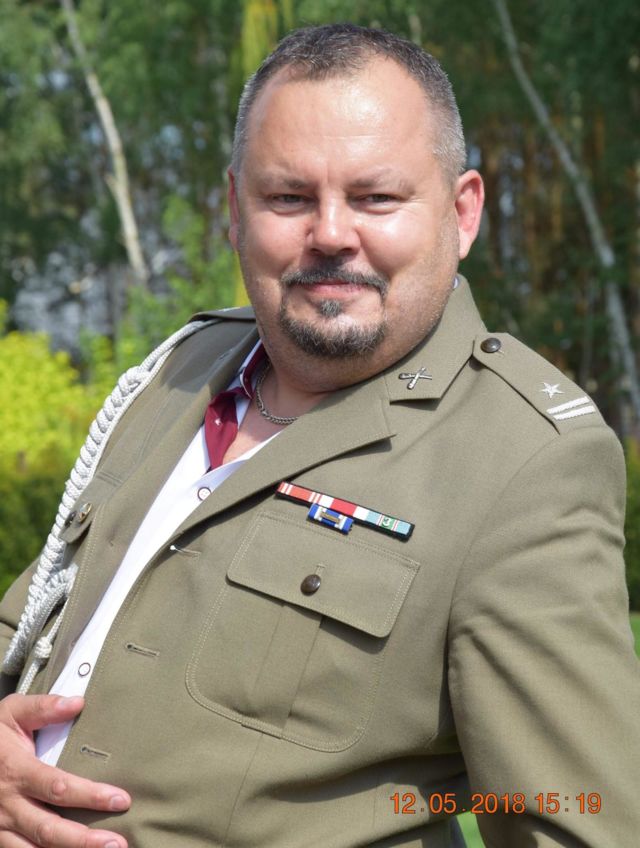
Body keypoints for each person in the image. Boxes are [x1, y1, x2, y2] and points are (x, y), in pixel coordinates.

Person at [0, 22, 638, 848]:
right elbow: (34, 621)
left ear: (462, 212)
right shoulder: (178, 372)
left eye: (376, 199)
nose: (331, 233)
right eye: (289, 199)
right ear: (235, 211)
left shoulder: (521, 461)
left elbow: (578, 823)